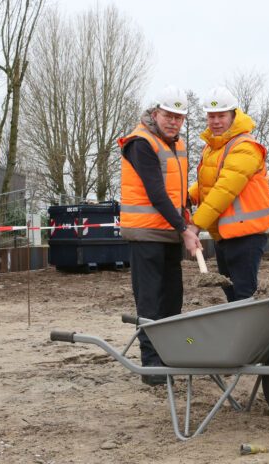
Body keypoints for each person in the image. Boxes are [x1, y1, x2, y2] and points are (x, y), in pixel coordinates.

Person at [117, 85, 202, 386]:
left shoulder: (175, 146)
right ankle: (152, 366)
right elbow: (156, 193)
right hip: (146, 235)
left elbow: (177, 196)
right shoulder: (141, 143)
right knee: (150, 301)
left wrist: (188, 222)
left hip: (168, 234)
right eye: (168, 115)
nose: (173, 122)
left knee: (172, 300)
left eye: (179, 118)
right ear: (155, 114)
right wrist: (183, 229)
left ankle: (168, 357)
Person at [188, 86, 269, 302]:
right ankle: (241, 334)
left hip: (246, 236)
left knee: (244, 294)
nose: (216, 121)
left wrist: (196, 225)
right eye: (211, 116)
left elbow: (224, 190)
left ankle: (251, 335)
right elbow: (208, 183)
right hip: (225, 235)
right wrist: (187, 197)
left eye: (221, 116)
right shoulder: (213, 148)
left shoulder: (245, 147)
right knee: (232, 293)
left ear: (234, 115)